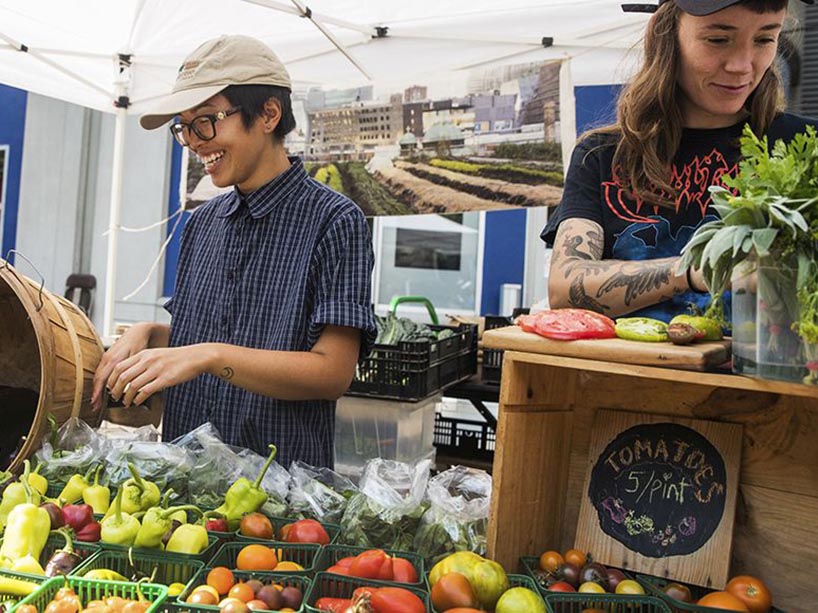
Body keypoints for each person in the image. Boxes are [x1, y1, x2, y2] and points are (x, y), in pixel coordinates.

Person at [91, 35, 377, 468]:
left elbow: (332, 372)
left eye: (205, 121)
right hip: (184, 478)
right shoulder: (204, 222)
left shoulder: (334, 220)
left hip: (280, 493)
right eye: (184, 127)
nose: (194, 141)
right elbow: (211, 341)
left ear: (268, 113)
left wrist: (210, 355)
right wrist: (153, 334)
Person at [541, 0, 818, 321]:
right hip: (625, 370)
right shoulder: (601, 154)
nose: (742, 65)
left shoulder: (806, 147)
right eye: (718, 39)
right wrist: (698, 268)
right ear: (665, 33)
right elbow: (564, 290)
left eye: (764, 39)